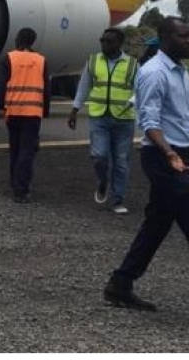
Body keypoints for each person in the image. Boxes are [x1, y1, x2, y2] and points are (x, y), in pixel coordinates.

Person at [103, 16, 189, 311]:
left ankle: (120, 284)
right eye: (183, 36)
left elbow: (181, 118)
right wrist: (170, 154)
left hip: (181, 154)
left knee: (158, 222)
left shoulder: (181, 72)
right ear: (164, 38)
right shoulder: (154, 73)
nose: (188, 41)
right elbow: (149, 121)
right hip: (164, 156)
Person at [68, 27, 139, 214]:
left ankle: (118, 200)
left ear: (119, 43)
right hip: (99, 116)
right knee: (99, 155)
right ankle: (103, 181)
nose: (104, 44)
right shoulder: (93, 61)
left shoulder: (132, 64)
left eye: (109, 41)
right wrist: (75, 109)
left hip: (123, 119)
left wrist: (133, 103)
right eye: (102, 41)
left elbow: (140, 89)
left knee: (121, 161)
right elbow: (84, 86)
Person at [0, 28, 50, 203]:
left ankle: (15, 183)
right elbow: (47, 88)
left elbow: (0, 85)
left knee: (15, 149)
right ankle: (21, 188)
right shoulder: (41, 60)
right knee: (27, 151)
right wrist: (45, 111)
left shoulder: (9, 58)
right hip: (33, 113)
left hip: (14, 112)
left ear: (18, 39)